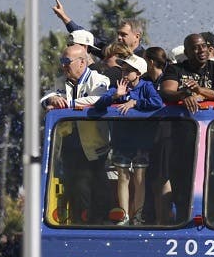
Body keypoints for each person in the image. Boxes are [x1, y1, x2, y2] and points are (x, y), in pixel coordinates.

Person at [42, 44, 111, 224]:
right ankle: (79, 223)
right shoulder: (60, 81)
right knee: (75, 189)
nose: (63, 65)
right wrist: (52, 99)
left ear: (82, 63)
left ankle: (98, 225)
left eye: (67, 61)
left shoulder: (98, 79)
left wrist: (69, 104)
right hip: (69, 145)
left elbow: (100, 98)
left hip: (94, 147)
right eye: (62, 61)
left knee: (97, 188)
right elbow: (46, 98)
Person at [94, 54, 164, 225]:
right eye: (123, 70)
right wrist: (115, 97)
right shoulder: (118, 86)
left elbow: (157, 102)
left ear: (138, 73)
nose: (124, 74)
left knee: (140, 178)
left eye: (129, 71)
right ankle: (124, 215)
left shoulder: (146, 86)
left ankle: (138, 216)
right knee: (123, 177)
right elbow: (99, 104)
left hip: (142, 141)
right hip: (121, 140)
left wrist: (135, 102)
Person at [159, 34, 214, 113]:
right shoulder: (175, 69)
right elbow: (166, 92)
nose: (201, 50)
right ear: (186, 52)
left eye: (204, 46)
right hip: (183, 120)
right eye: (195, 48)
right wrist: (183, 95)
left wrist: (200, 90)